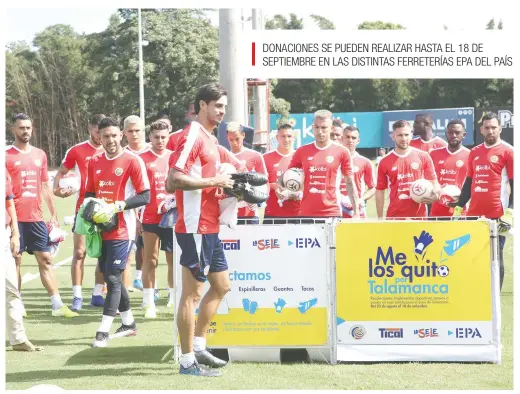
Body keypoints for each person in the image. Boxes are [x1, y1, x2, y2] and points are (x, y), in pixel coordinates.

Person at [166, 82, 234, 377]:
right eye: (218, 106)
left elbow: (212, 180)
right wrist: (215, 182)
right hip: (195, 226)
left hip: (210, 225)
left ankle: (199, 345)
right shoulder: (193, 134)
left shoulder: (210, 138)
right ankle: (186, 361)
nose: (222, 111)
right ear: (202, 105)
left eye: (224, 107)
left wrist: (232, 187)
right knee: (192, 295)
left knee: (221, 286)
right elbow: (173, 180)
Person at [84, 117, 151, 347]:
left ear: (121, 135)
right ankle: (129, 322)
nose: (110, 140)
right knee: (110, 273)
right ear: (98, 137)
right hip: (101, 230)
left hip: (123, 228)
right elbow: (89, 194)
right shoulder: (94, 161)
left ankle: (103, 331)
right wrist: (87, 215)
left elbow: (145, 195)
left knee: (112, 277)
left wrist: (118, 205)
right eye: (105, 136)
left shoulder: (133, 161)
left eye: (114, 135)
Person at [6, 113, 78, 318]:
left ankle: (57, 305)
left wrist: (53, 213)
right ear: (14, 130)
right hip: (14, 219)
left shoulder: (40, 155)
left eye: (28, 127)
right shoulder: (6, 156)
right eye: (21, 128)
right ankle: (17, 304)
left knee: (46, 259)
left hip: (36, 217)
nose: (25, 131)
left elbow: (45, 185)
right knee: (15, 261)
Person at [453, 112, 513, 291]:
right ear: (481, 130)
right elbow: (469, 182)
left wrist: (510, 212)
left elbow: (515, 184)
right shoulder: (475, 152)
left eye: (494, 127)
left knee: (496, 255)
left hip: (497, 214)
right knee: (472, 254)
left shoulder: (509, 151)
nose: (490, 131)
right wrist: (458, 208)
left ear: (500, 129)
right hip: (474, 214)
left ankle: (495, 297)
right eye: (487, 128)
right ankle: (476, 292)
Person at [53, 114, 107, 311]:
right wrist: (58, 190)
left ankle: (97, 293)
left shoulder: (112, 150)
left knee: (103, 254)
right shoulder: (76, 150)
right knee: (79, 252)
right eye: (96, 129)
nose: (99, 134)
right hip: (83, 209)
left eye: (102, 130)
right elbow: (60, 173)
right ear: (90, 128)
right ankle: (77, 297)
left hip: (105, 209)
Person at [288, 109, 359, 219]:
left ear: (331, 129)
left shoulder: (342, 152)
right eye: (316, 127)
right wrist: (282, 186)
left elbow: (349, 182)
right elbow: (289, 176)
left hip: (332, 213)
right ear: (312, 127)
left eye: (324, 127)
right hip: (306, 213)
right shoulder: (302, 151)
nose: (320, 131)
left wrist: (356, 211)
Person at [138, 120, 174, 318]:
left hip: (171, 216)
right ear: (149, 138)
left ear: (168, 137)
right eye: (156, 137)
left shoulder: (175, 158)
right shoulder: (141, 159)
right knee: (150, 260)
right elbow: (135, 188)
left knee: (172, 259)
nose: (160, 141)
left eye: (163, 137)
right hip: (149, 216)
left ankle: (172, 295)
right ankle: (149, 300)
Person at [5, 172, 43, 351]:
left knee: (11, 289)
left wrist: (15, 233)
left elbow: (9, 201)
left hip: (4, 233)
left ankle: (18, 339)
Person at [375, 120, 440, 219]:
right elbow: (380, 190)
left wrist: (436, 194)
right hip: (394, 216)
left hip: (419, 215)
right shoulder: (384, 161)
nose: (404, 138)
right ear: (393, 136)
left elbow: (434, 182)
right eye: (400, 135)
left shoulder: (423, 156)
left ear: (411, 135)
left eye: (406, 134)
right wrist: (379, 217)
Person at [123, 115, 149, 293]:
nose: (134, 134)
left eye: (137, 130)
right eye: (130, 131)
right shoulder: (121, 154)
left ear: (143, 130)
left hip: (153, 210)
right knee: (128, 254)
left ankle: (142, 281)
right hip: (130, 212)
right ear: (124, 133)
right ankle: (121, 290)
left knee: (150, 253)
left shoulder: (153, 151)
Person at [226, 121, 268, 225]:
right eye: (231, 140)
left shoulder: (256, 156)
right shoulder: (223, 157)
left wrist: (256, 199)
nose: (234, 143)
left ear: (243, 135)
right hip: (229, 213)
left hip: (250, 214)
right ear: (227, 137)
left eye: (237, 139)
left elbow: (264, 182)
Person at [429, 120, 470, 218]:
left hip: (460, 210)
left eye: (457, 133)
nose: (454, 135)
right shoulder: (433, 154)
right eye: (450, 132)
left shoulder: (470, 155)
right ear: (446, 134)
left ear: (464, 135)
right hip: (437, 209)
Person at [262, 124, 301, 223]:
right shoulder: (265, 158)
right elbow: (259, 185)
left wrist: (296, 193)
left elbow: (308, 184)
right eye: (283, 136)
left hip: (296, 214)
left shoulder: (301, 157)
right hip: (272, 214)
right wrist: (274, 186)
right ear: (277, 138)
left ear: (294, 138)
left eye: (289, 136)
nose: (286, 139)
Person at [339, 126, 376, 218]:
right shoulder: (334, 160)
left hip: (357, 211)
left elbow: (373, 187)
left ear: (358, 140)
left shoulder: (365, 162)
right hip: (336, 210)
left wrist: (361, 199)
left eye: (353, 138)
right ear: (341, 139)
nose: (350, 140)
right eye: (347, 137)